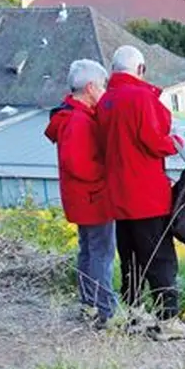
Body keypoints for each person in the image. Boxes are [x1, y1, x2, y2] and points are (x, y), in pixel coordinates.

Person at [96, 45, 185, 340]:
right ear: (140, 69)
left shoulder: (105, 101)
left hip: (118, 195)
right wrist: (175, 141)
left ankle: (135, 314)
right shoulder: (140, 98)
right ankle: (167, 320)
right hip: (146, 195)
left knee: (132, 257)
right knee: (161, 258)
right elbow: (154, 140)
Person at [44, 59, 116, 328]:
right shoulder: (79, 121)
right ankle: (105, 310)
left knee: (88, 250)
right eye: (101, 87)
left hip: (79, 198)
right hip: (93, 197)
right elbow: (79, 164)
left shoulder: (66, 116)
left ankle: (89, 303)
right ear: (89, 87)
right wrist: (109, 173)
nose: (104, 93)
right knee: (102, 253)